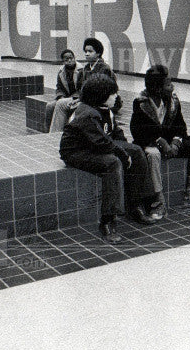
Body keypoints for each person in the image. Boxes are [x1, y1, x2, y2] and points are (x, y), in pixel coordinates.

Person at [59, 74, 160, 242]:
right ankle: (107, 220)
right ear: (101, 95)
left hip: (96, 146)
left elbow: (115, 134)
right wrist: (121, 153)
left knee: (136, 151)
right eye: (112, 94)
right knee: (112, 163)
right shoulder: (86, 113)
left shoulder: (106, 109)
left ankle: (136, 205)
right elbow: (100, 141)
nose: (116, 97)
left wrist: (128, 151)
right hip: (77, 151)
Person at [130, 64, 190, 212]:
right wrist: (160, 142)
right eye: (168, 84)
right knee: (153, 154)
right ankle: (158, 198)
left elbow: (181, 128)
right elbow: (138, 132)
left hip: (171, 143)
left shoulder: (173, 102)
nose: (173, 87)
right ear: (157, 88)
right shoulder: (141, 103)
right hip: (150, 143)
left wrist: (175, 143)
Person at [48, 48, 81, 132]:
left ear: (74, 58)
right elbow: (59, 87)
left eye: (71, 58)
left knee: (61, 104)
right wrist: (61, 96)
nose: (69, 60)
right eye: (67, 59)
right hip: (66, 98)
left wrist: (73, 97)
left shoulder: (81, 70)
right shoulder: (61, 72)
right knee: (49, 106)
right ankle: (48, 131)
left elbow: (83, 88)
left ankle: (56, 132)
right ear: (63, 61)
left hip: (77, 98)